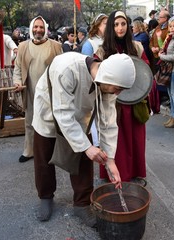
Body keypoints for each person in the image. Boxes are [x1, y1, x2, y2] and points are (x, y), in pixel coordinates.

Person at [31, 52, 136, 224]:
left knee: (84, 160)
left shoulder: (109, 85)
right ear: (108, 77)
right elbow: (62, 113)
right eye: (118, 89)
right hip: (49, 112)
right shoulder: (67, 68)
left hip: (79, 117)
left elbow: (108, 122)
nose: (118, 93)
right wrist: (87, 147)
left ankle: (81, 204)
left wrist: (110, 160)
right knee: (44, 157)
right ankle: (46, 196)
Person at [96, 10, 150, 182]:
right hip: (112, 102)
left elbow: (145, 73)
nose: (120, 28)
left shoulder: (137, 47)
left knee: (135, 139)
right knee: (114, 138)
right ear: (111, 27)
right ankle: (112, 173)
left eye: (123, 24)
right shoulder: (102, 50)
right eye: (116, 24)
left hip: (134, 101)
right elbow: (97, 76)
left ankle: (133, 173)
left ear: (128, 25)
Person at [13, 16, 62, 163]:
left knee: (51, 120)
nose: (38, 30)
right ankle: (29, 151)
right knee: (30, 120)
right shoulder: (23, 46)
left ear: (45, 29)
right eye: (36, 27)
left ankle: (52, 151)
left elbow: (63, 67)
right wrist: (17, 81)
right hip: (30, 89)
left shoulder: (56, 46)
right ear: (31, 28)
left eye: (41, 27)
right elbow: (17, 67)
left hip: (50, 91)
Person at [81, 13, 108, 147]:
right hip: (95, 84)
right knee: (94, 115)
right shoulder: (89, 43)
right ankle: (95, 143)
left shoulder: (110, 41)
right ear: (97, 26)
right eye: (105, 24)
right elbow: (85, 65)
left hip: (109, 84)